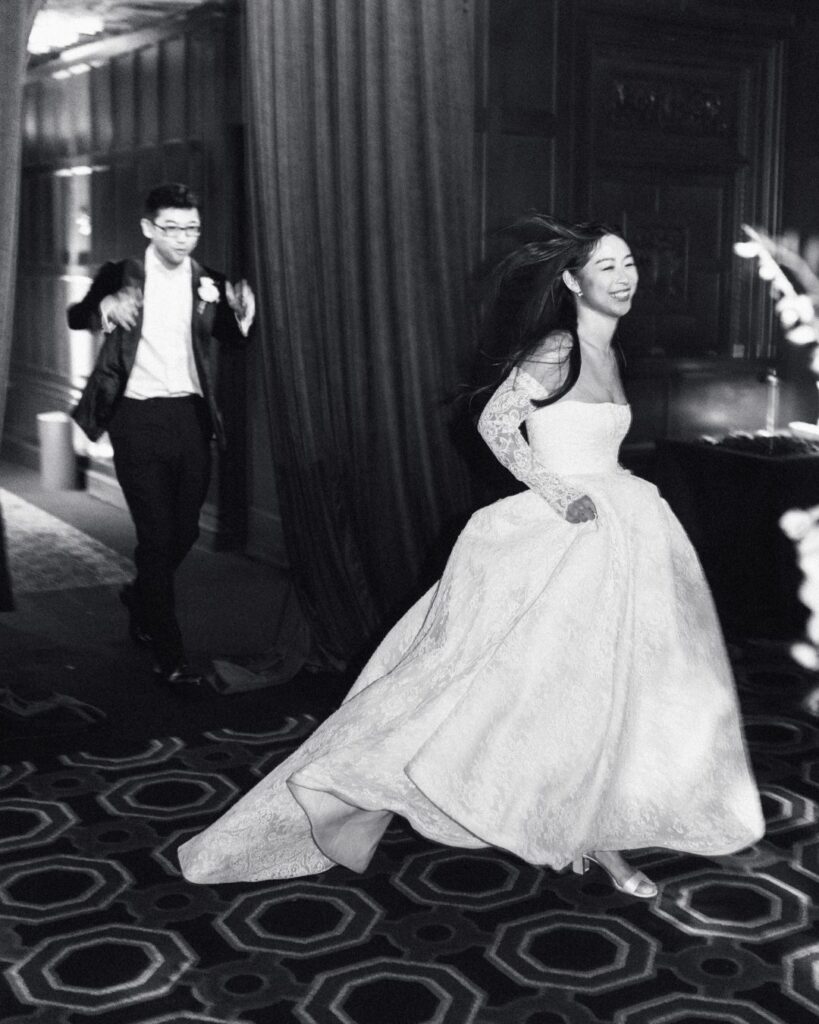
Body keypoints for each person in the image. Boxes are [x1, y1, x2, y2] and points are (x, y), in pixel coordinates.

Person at [177, 214, 763, 895]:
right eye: (606, 265)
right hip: (559, 537)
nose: (624, 275)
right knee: (464, 690)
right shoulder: (555, 347)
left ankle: (591, 835)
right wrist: (553, 491)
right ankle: (352, 787)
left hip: (625, 534)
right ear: (572, 280)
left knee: (604, 695)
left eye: (628, 262)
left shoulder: (614, 353)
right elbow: (492, 423)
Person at [68, 182, 255, 692]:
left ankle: (138, 596)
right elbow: (77, 315)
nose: (184, 239)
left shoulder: (206, 280)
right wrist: (106, 306)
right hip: (135, 418)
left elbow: (231, 342)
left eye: (192, 228)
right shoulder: (121, 274)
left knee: (185, 531)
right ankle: (169, 655)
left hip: (191, 419)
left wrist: (242, 316)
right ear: (149, 228)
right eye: (172, 228)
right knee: (154, 536)